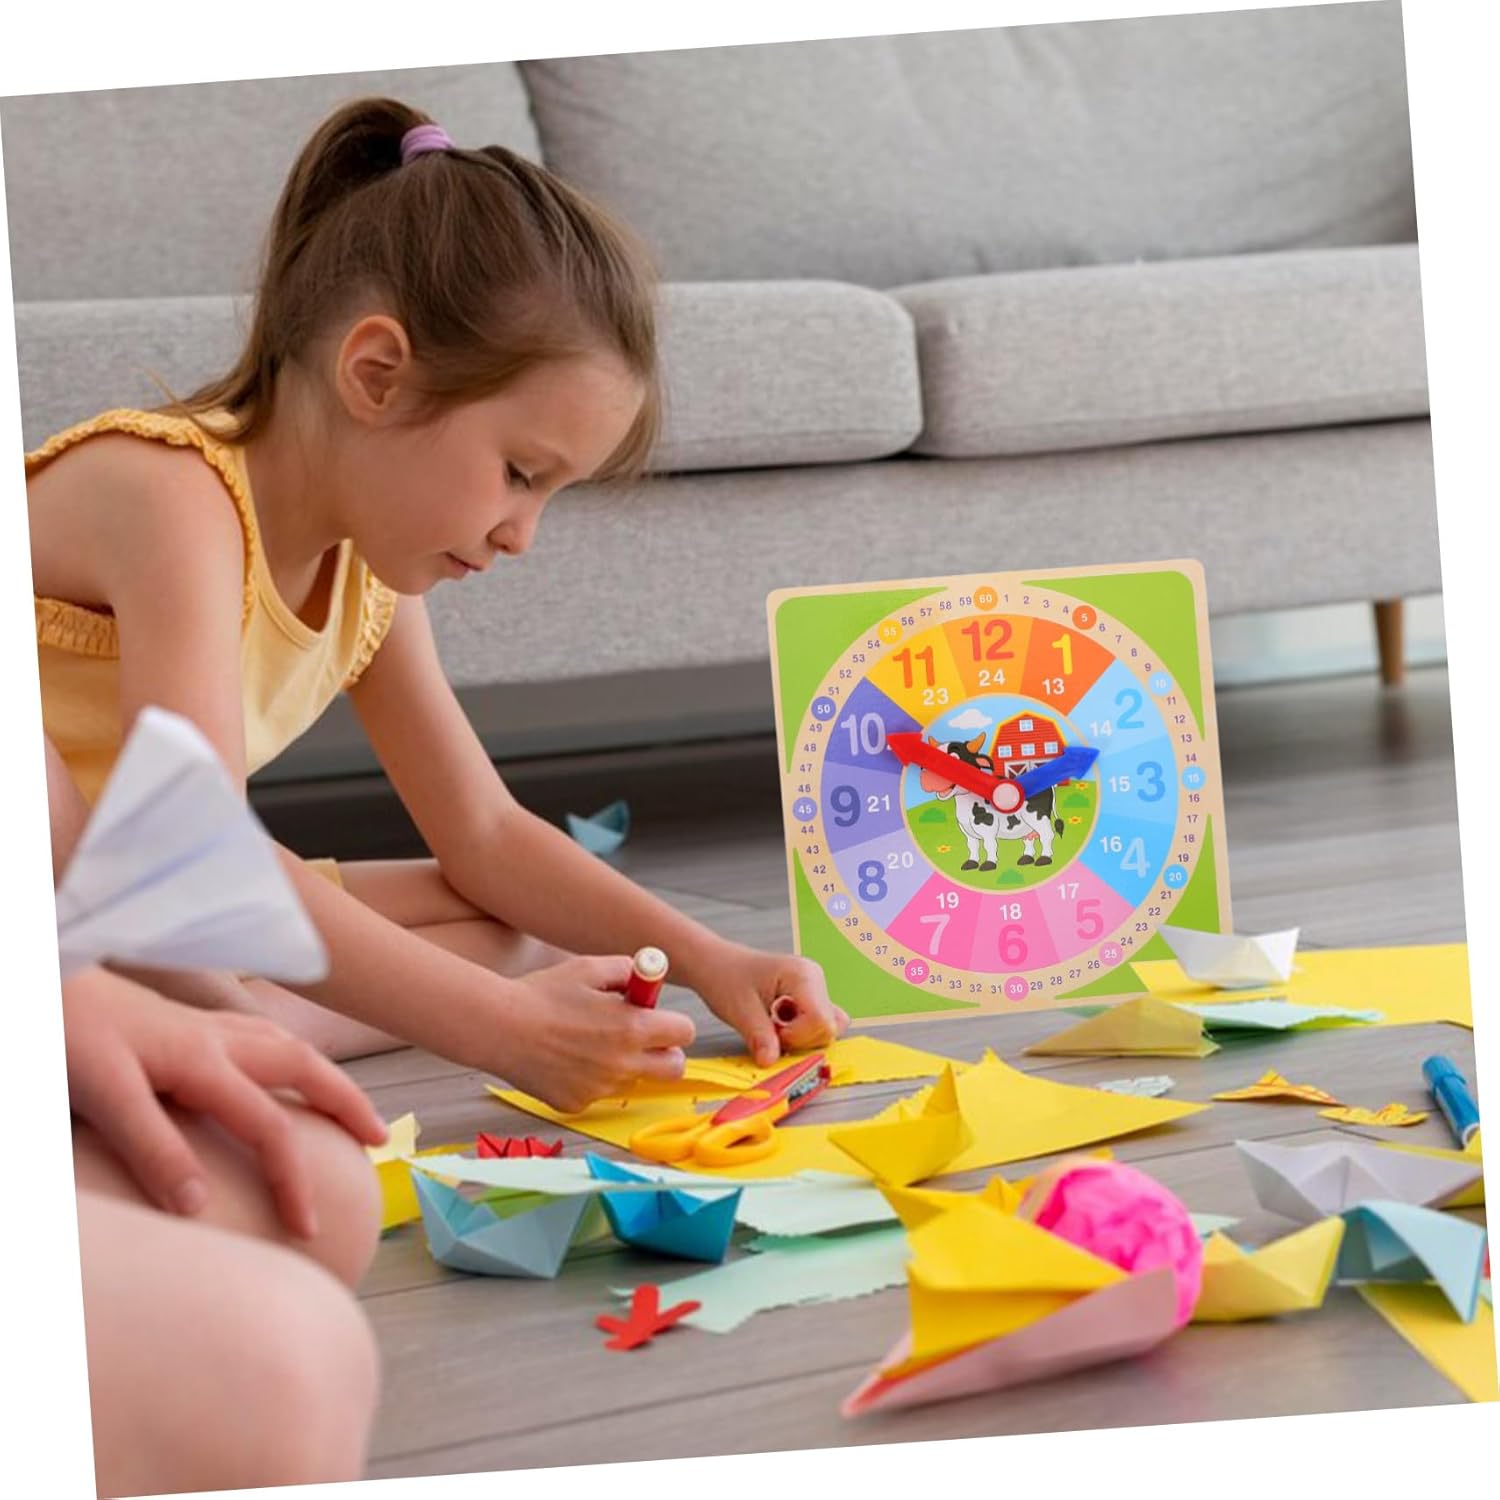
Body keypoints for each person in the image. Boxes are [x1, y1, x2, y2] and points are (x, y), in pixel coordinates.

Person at [28, 98, 849, 1116]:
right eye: (519, 474)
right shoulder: (170, 495)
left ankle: (217, 1029)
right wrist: (502, 1030)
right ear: (377, 377)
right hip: (102, 872)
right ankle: (196, 1027)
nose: (522, 535)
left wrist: (711, 958)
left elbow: (486, 834)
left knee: (510, 924)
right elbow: (182, 841)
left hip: (132, 906)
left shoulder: (365, 569)